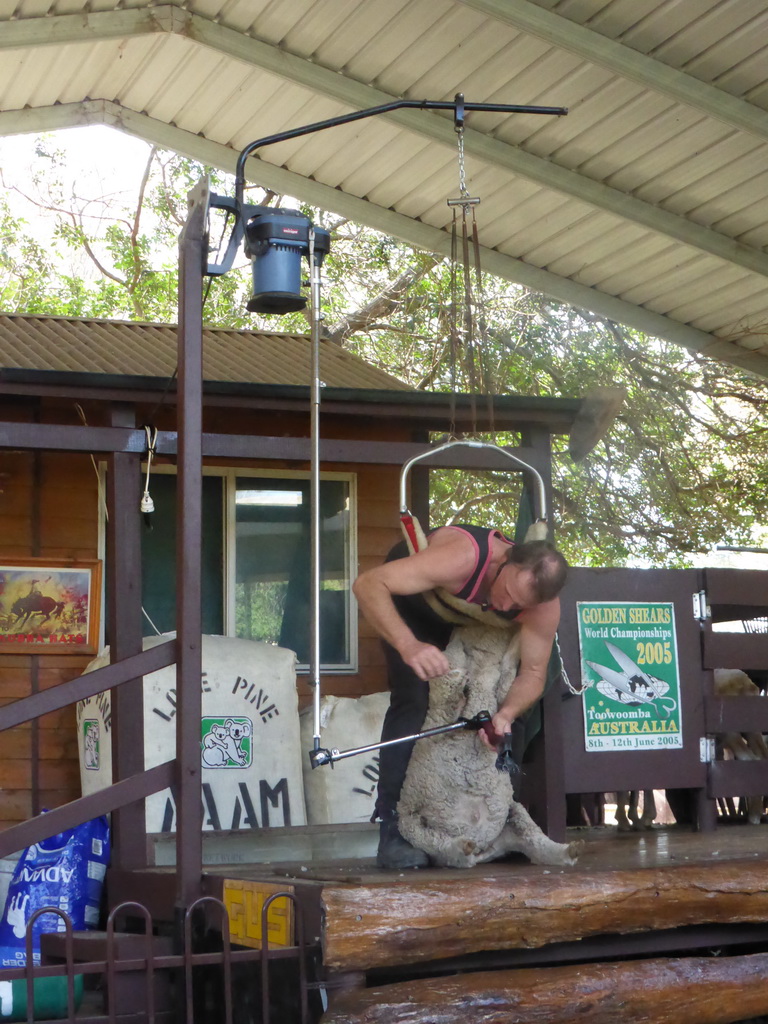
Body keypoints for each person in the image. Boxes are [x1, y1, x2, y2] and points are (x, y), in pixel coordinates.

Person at [352, 524, 568, 869]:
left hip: (466, 621)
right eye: (508, 591)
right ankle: (394, 827)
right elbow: (367, 585)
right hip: (416, 603)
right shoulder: (461, 558)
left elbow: (532, 674)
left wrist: (507, 714)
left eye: (518, 605)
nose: (506, 604)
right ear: (505, 560)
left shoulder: (542, 607)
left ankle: (496, 822)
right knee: (415, 697)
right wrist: (410, 646)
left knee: (508, 716)